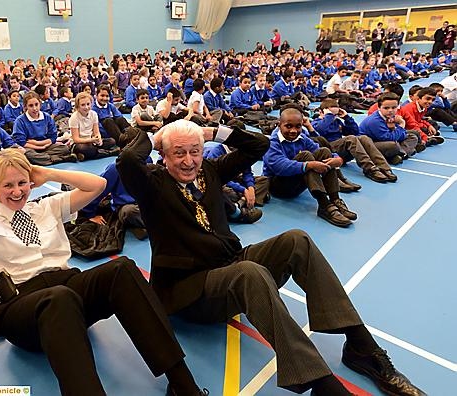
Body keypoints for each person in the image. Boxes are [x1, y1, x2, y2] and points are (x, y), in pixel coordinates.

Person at [117, 118, 425, 396]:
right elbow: (128, 159)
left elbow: (259, 144)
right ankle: (321, 383)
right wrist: (158, 137)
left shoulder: (209, 171)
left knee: (297, 240)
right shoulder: (152, 185)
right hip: (190, 291)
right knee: (249, 272)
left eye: (195, 151)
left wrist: (212, 132)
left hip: (229, 264)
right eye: (179, 153)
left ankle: (360, 346)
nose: (188, 161)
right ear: (165, 156)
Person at [0, 148, 207, 396]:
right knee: (58, 298)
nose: (18, 191)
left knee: (122, 268)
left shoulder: (47, 206)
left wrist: (47, 173)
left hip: (69, 290)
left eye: (23, 182)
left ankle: (183, 383)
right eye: (7, 185)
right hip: (23, 307)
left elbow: (97, 184)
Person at [312, 99, 397, 183]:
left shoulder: (337, 122)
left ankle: (384, 167)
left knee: (363, 138)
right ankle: (370, 169)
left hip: (341, 153)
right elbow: (320, 130)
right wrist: (328, 116)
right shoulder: (316, 123)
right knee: (351, 139)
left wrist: (347, 118)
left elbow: (355, 131)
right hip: (329, 152)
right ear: (321, 112)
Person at [12, 91, 76, 165]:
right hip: (30, 148)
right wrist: (39, 147)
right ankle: (59, 159)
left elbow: (53, 137)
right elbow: (21, 142)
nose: (35, 108)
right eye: (31, 106)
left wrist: (39, 143)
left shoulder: (47, 117)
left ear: (40, 104)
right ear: (25, 107)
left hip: (46, 145)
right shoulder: (20, 121)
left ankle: (44, 159)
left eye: (36, 104)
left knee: (64, 148)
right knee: (26, 154)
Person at [359, 92, 420, 165]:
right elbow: (389, 138)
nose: (390, 110)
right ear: (379, 108)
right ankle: (402, 152)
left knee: (412, 136)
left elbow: (397, 134)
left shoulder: (389, 116)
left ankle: (399, 154)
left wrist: (395, 129)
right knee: (393, 145)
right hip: (368, 145)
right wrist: (401, 125)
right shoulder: (374, 121)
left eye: (394, 107)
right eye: (386, 108)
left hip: (383, 139)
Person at [70, 92, 118, 160]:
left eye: (88, 104)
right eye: (83, 105)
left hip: (92, 141)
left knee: (112, 141)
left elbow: (96, 132)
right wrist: (90, 140)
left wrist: (98, 139)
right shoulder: (74, 117)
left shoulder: (94, 114)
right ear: (78, 106)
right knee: (85, 148)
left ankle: (87, 155)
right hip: (80, 143)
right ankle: (109, 153)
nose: (86, 107)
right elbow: (76, 139)